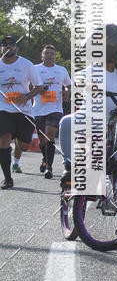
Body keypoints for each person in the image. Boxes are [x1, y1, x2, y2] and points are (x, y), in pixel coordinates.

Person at [58, 24, 117, 248]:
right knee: (66, 121)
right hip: (87, 122)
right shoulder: (88, 71)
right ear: (112, 50)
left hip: (111, 127)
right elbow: (78, 85)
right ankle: (69, 165)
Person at [0, 36, 48, 189]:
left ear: (16, 48)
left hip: (24, 110)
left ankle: (15, 144)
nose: (8, 47)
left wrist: (26, 96)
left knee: (24, 145)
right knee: (3, 140)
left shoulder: (26, 64)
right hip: (3, 108)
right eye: (5, 45)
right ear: (1, 48)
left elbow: (39, 86)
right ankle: (8, 178)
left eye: (11, 44)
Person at [32, 44, 71, 180]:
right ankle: (45, 158)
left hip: (55, 108)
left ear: (55, 56)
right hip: (38, 109)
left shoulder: (61, 70)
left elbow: (69, 85)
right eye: (46, 53)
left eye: (52, 54)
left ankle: (49, 168)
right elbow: (28, 85)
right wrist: (37, 89)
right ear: (42, 55)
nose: (49, 56)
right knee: (42, 140)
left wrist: (67, 91)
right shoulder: (35, 69)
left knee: (50, 135)